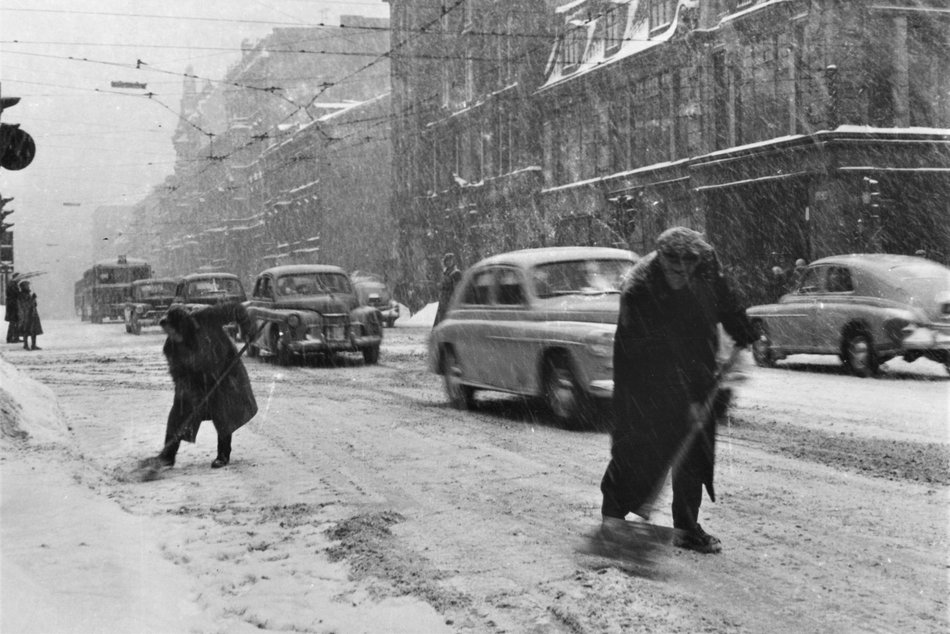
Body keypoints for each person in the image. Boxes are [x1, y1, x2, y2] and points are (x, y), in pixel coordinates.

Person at [600, 226, 755, 554]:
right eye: (673, 266)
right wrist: (684, 401)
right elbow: (656, 357)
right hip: (644, 373)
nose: (681, 272)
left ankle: (686, 526)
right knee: (639, 446)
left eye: (689, 265)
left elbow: (726, 300)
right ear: (660, 259)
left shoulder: (707, 267)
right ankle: (613, 520)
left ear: (697, 260)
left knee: (695, 452)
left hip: (697, 362)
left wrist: (744, 330)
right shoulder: (640, 289)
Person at [155, 303, 257, 469]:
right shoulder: (171, 348)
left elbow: (237, 310)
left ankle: (223, 454)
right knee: (179, 411)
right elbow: (178, 376)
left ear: (183, 327)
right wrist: (190, 393)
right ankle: (168, 455)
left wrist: (247, 329)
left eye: (173, 332)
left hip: (225, 371)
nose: (170, 336)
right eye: (168, 333)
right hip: (196, 380)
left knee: (223, 409)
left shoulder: (207, 317)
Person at [433, 252, 462, 326]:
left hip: (450, 300)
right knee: (441, 321)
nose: (448, 262)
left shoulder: (456, 273)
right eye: (447, 261)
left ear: (453, 261)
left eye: (450, 260)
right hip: (443, 300)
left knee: (447, 320)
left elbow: (457, 287)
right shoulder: (445, 272)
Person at [16, 279, 42, 351]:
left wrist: (34, 299)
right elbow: (26, 305)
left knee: (33, 330)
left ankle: (33, 345)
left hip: (32, 314)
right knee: (26, 330)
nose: (28, 286)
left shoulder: (28, 294)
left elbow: (34, 305)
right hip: (26, 315)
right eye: (27, 285)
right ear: (23, 286)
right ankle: (26, 345)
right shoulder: (21, 295)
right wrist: (32, 299)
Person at [5, 273, 21, 343]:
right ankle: (11, 338)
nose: (20, 279)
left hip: (12, 305)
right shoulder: (12, 285)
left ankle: (15, 337)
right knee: (13, 322)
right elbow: (16, 294)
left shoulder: (13, 284)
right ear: (16, 278)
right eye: (19, 278)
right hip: (13, 306)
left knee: (15, 322)